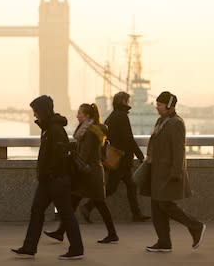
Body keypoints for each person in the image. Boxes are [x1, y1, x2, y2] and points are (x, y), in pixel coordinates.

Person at [11, 95, 84, 260]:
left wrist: (49, 173)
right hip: (48, 180)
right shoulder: (48, 128)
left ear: (42, 111)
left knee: (66, 214)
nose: (34, 115)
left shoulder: (54, 129)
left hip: (56, 180)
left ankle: (77, 249)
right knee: (37, 211)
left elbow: (59, 156)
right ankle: (29, 247)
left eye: (35, 111)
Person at [44, 103, 119, 244]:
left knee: (100, 204)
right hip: (89, 172)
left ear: (87, 116)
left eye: (80, 113)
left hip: (90, 173)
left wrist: (69, 153)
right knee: (74, 202)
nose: (77, 115)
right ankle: (60, 232)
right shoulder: (87, 130)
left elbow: (84, 154)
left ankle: (112, 234)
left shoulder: (90, 132)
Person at [142, 91, 206, 252]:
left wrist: (176, 172)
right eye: (157, 104)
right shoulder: (161, 121)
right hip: (157, 172)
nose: (157, 107)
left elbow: (179, 150)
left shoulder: (176, 123)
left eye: (160, 105)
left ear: (169, 106)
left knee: (165, 204)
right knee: (157, 207)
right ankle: (164, 242)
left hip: (168, 172)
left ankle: (196, 226)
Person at [81, 92, 150, 223]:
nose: (130, 103)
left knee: (131, 185)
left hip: (118, 158)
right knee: (112, 188)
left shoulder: (112, 116)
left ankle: (136, 213)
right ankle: (88, 206)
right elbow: (129, 139)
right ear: (123, 101)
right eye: (128, 100)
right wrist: (140, 156)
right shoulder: (122, 116)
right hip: (120, 159)